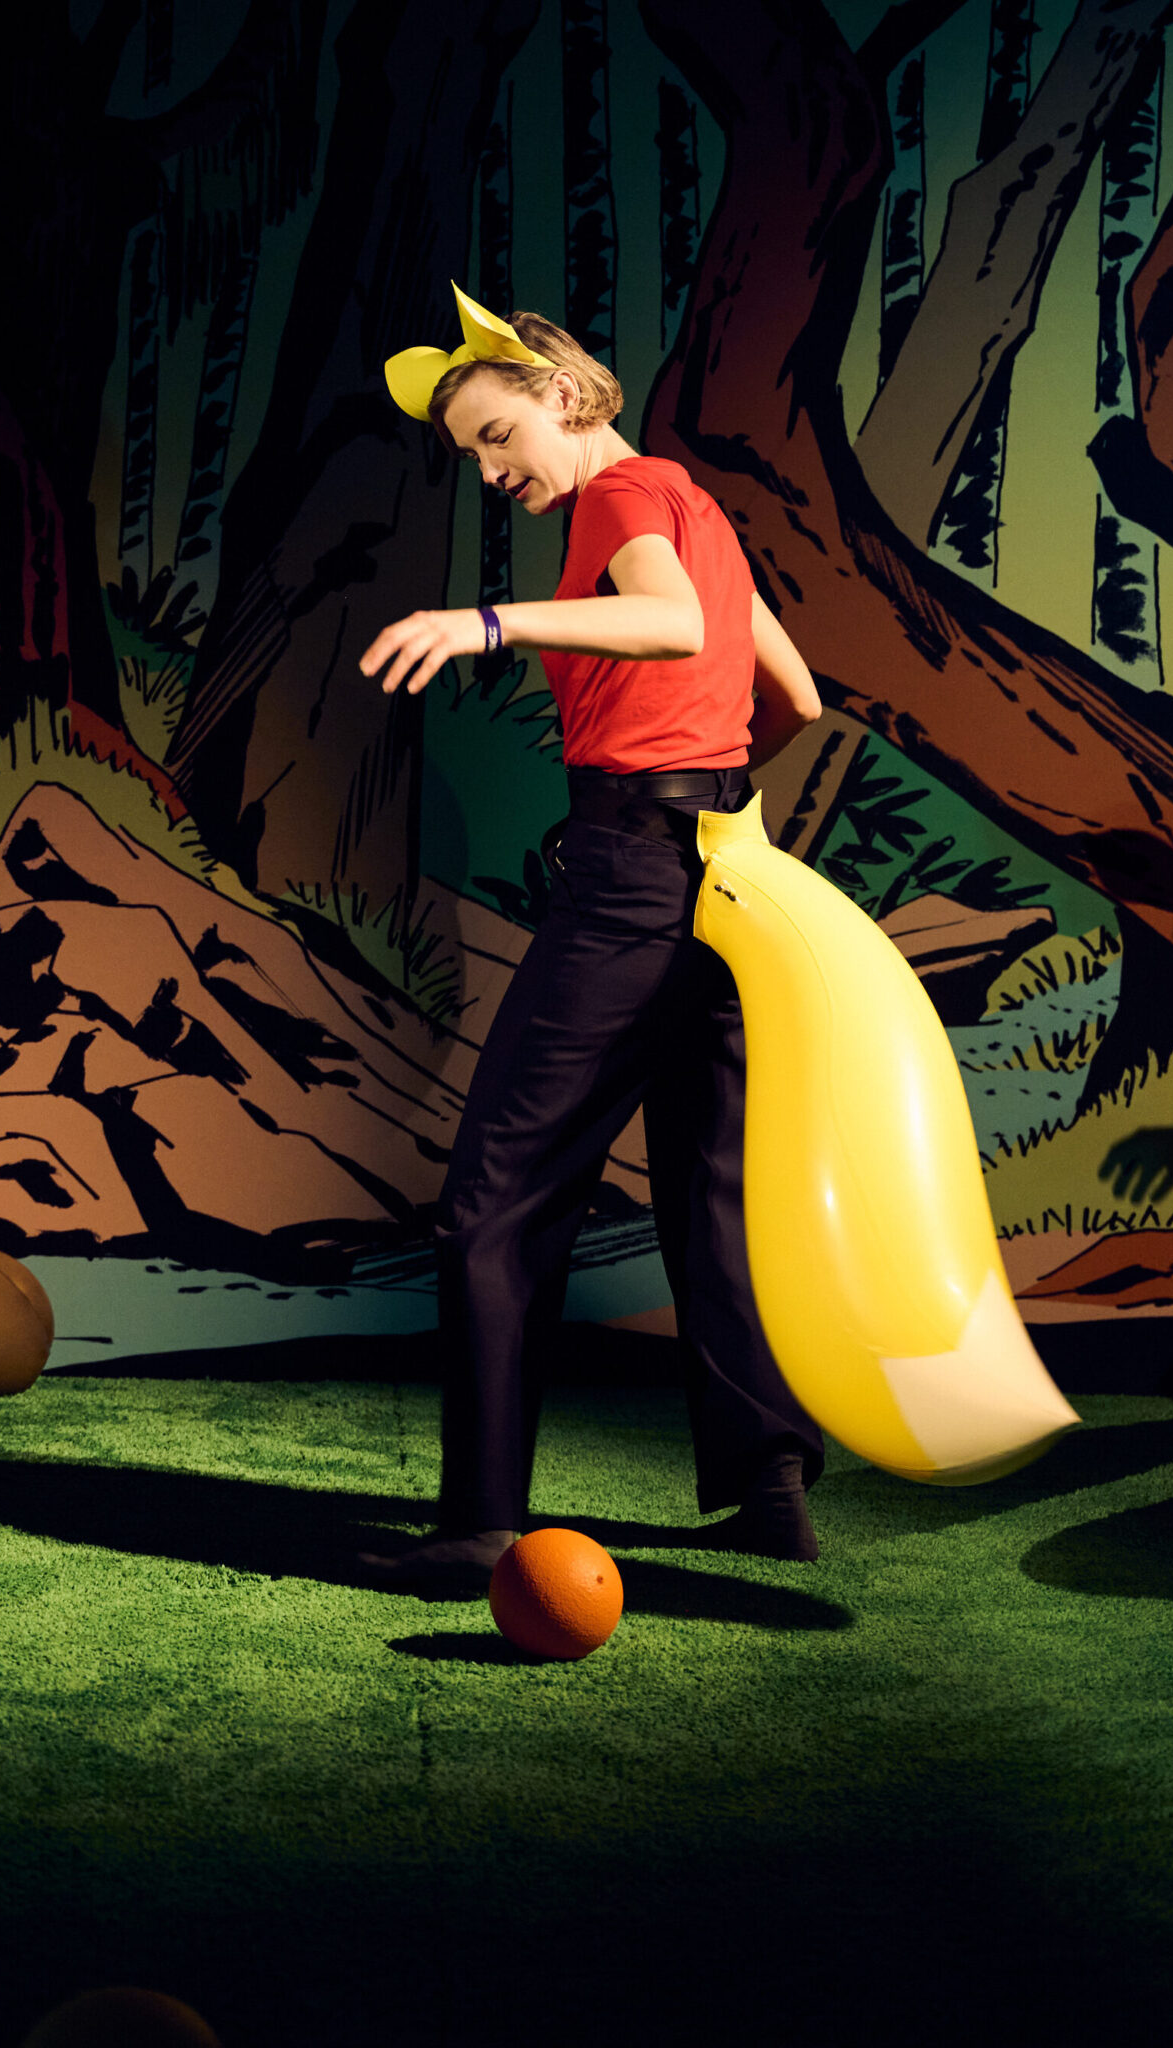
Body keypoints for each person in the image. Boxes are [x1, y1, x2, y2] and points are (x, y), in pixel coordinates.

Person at [356, 285, 825, 1592]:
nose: (492, 471)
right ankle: (766, 1489)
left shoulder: (623, 503)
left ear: (563, 395)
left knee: (494, 1197)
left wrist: (486, 623)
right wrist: (703, 802)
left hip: (631, 876)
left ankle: (483, 1523)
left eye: (499, 436)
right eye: (472, 458)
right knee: (710, 1186)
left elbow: (673, 625)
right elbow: (790, 695)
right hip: (725, 872)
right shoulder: (689, 502)